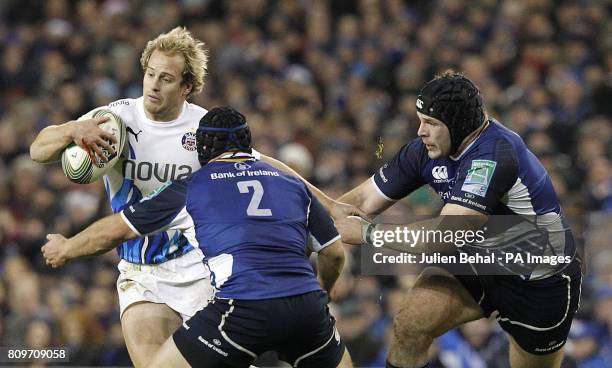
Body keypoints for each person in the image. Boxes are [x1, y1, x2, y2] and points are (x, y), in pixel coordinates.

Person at [42, 106, 354, 368]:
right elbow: (334, 253)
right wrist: (324, 289)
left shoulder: (192, 187)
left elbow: (115, 231)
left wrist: (66, 247)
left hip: (244, 308)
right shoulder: (292, 185)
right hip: (307, 308)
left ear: (201, 149)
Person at [334, 70, 582, 368]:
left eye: (431, 123)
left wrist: (369, 233)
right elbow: (357, 203)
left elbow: (445, 238)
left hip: (537, 278)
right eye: (420, 120)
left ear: (459, 125)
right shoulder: (426, 149)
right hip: (477, 258)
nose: (420, 131)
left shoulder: (493, 156)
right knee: (410, 325)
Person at [30, 26, 215, 367]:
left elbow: (258, 165)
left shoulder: (204, 130)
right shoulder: (116, 119)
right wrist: (73, 129)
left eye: (167, 78)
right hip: (139, 270)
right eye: (149, 74)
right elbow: (38, 149)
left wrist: (325, 204)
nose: (154, 85)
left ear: (187, 87)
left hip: (199, 267)